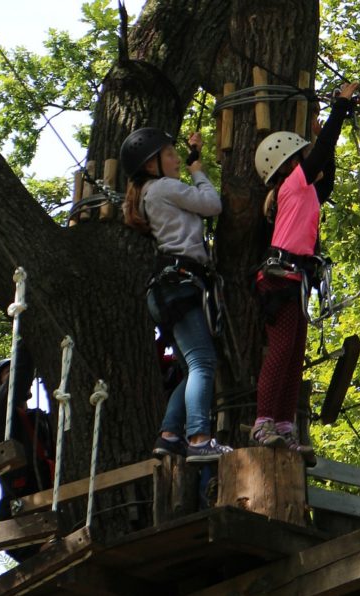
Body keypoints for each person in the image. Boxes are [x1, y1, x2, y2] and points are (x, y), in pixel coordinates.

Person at [252, 82, 360, 466]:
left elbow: (325, 173)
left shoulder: (306, 191)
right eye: (303, 156)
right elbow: (321, 157)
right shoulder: (292, 186)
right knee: (281, 353)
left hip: (295, 280)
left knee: (294, 356)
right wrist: (339, 107)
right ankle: (263, 422)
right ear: (289, 164)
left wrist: (325, 130)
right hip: (281, 279)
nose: (309, 162)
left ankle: (283, 425)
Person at [121, 127, 233, 463]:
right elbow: (213, 205)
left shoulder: (150, 193)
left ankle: (170, 435)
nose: (176, 160)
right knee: (203, 362)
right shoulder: (165, 188)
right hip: (180, 285)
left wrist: (193, 155)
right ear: (152, 164)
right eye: (169, 154)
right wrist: (198, 172)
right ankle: (198, 438)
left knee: (190, 367)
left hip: (166, 290)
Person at [0, 346, 55, 562]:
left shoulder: (39, 418)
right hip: (22, 509)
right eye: (7, 373)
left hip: (55, 496)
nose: (25, 378)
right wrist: (27, 335)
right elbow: (20, 377)